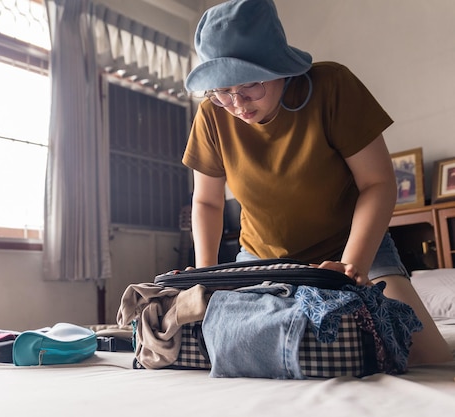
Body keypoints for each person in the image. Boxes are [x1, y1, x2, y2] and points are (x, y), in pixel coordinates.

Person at [182, 0, 451, 365]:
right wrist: (205, 277)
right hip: (264, 259)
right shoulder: (212, 116)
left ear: (280, 68)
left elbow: (377, 183)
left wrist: (350, 267)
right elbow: (208, 202)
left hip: (353, 249)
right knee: (234, 353)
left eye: (250, 86)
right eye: (221, 91)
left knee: (430, 360)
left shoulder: (332, 86)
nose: (237, 103)